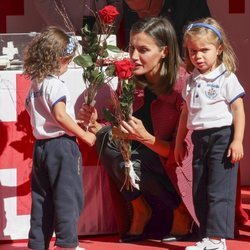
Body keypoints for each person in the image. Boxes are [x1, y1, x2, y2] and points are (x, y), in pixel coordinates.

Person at [79, 16, 197, 242]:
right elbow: (121, 129)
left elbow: (188, 156)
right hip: (144, 158)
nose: (133, 56)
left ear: (164, 52)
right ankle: (139, 207)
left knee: (134, 152)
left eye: (143, 49)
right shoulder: (130, 79)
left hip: (174, 169)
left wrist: (146, 138)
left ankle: (180, 211)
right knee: (104, 138)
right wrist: (97, 125)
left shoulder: (186, 86)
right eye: (132, 48)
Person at [174, 17, 245, 250]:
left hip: (222, 137)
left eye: (205, 50)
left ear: (219, 49)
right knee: (200, 189)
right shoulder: (191, 80)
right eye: (193, 51)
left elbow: (238, 110)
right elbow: (185, 114)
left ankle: (217, 239)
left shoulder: (226, 78)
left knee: (219, 190)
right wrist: (178, 143)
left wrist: (237, 140)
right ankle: (206, 237)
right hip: (199, 139)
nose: (198, 56)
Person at [23, 26, 96, 250]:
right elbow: (60, 115)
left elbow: (32, 112)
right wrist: (84, 134)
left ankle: (37, 244)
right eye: (68, 60)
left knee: (41, 199)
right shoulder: (55, 84)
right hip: (62, 146)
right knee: (68, 197)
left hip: (41, 146)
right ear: (60, 58)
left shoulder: (35, 85)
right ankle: (66, 244)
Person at [119, 0, 211, 52]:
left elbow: (203, 41)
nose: (141, 16)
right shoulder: (132, 6)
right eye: (135, 11)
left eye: (144, 9)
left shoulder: (188, 4)